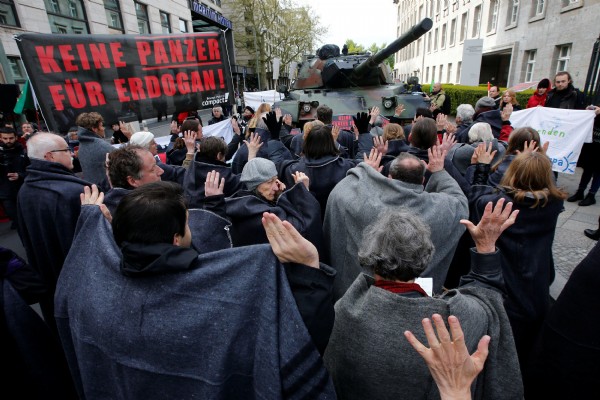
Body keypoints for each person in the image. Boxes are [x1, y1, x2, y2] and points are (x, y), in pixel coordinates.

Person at [55, 182, 336, 398]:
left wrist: (92, 225)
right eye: (188, 222)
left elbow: (78, 271)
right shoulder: (228, 290)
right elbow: (292, 339)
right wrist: (309, 267)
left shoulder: (95, 289)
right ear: (176, 239)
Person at [323, 201, 523, 400]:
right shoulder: (455, 319)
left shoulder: (344, 310)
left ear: (370, 258)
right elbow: (487, 300)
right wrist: (485, 247)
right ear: (425, 258)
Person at [324, 145, 468, 300]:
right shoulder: (443, 209)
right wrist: (439, 172)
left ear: (390, 177)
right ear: (423, 180)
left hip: (364, 298)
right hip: (420, 303)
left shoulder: (361, 205)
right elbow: (460, 201)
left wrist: (366, 171)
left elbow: (341, 192)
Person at [469, 148, 567, 370]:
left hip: (503, 287)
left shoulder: (495, 205)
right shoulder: (553, 205)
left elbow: (475, 197)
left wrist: (481, 168)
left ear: (512, 173)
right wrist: (539, 161)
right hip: (536, 288)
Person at [17, 133, 90, 333]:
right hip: (80, 289)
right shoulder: (73, 193)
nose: (72, 155)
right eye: (67, 150)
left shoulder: (26, 189)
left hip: (50, 281)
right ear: (50, 156)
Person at [225, 157, 323, 251]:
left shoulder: (247, 201)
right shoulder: (256, 212)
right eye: (269, 182)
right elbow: (301, 229)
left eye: (275, 180)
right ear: (254, 185)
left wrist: (280, 195)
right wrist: (303, 192)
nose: (276, 187)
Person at [103, 145, 164, 214]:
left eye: (156, 164)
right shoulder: (148, 214)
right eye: (152, 169)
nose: (161, 171)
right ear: (133, 181)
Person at [75, 112, 114, 191]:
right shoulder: (102, 146)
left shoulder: (82, 145)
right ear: (94, 128)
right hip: (106, 191)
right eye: (101, 125)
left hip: (93, 190)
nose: (103, 128)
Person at [0, 129, 29, 229]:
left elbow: (32, 169)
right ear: (1, 138)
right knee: (17, 222)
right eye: (5, 138)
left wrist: (20, 175)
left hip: (24, 189)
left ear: (16, 137)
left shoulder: (24, 151)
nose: (8, 141)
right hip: (6, 193)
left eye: (11, 138)